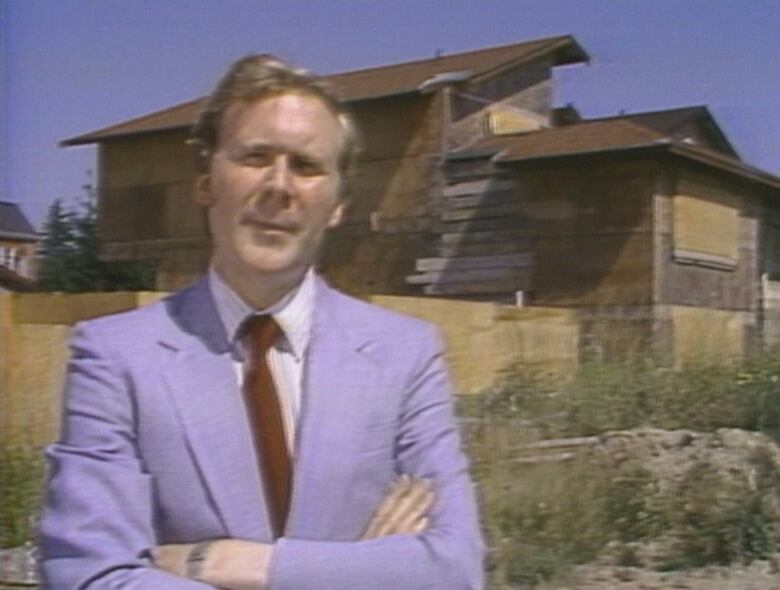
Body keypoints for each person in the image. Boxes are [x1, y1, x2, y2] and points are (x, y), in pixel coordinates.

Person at [39, 55, 484, 590]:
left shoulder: (405, 355)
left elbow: (453, 568)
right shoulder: (114, 357)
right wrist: (353, 573)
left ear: (338, 203)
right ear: (206, 182)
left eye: (306, 165)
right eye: (255, 157)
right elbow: (92, 575)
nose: (279, 185)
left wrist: (245, 565)